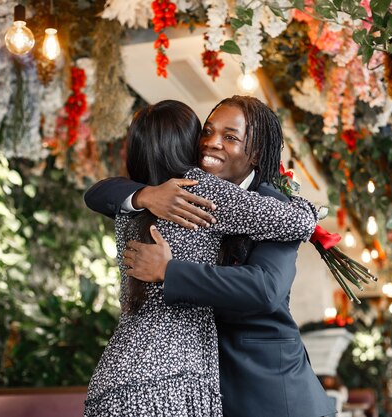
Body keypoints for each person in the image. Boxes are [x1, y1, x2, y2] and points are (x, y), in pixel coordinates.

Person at [84, 95, 336, 417]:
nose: (210, 144)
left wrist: (168, 270)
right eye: (206, 132)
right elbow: (99, 193)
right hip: (177, 377)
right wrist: (146, 194)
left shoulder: (265, 201)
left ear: (255, 152)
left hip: (267, 390)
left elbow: (265, 289)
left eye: (230, 137)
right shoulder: (167, 195)